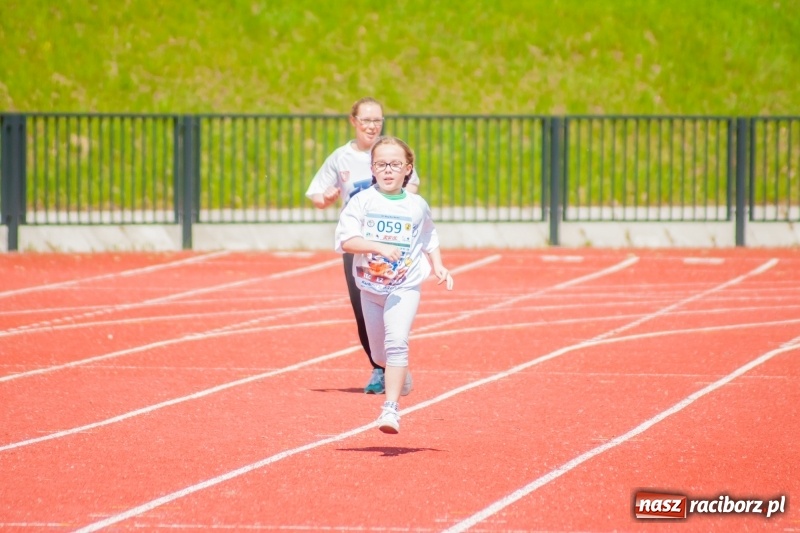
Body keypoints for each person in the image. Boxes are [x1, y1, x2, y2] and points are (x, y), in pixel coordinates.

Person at [334, 136, 454, 434]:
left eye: (395, 164)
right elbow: (346, 240)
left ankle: (390, 409)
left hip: (405, 285)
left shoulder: (417, 205)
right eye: (381, 164)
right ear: (372, 169)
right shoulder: (362, 202)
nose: (388, 170)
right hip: (371, 287)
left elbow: (429, 236)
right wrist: (378, 246)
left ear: (408, 169)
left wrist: (438, 264)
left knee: (397, 341)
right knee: (378, 355)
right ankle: (399, 373)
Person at [306, 97, 420, 395]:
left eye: (377, 120)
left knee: (393, 307)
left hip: (393, 244)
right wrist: (327, 199)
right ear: (353, 121)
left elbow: (413, 186)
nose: (372, 126)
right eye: (367, 120)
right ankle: (379, 366)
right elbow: (316, 195)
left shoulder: (390, 152)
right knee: (362, 310)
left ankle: (394, 363)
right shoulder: (341, 157)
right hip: (358, 247)